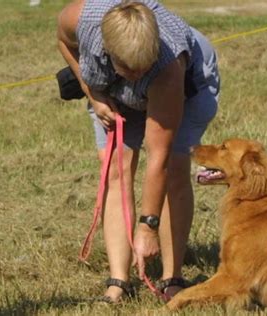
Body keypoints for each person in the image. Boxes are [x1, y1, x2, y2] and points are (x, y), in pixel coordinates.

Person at [57, 0, 219, 303]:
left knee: (176, 163)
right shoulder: (78, 17)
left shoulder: (168, 68)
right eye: (129, 69)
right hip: (109, 89)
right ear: (107, 50)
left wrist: (148, 227)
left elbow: (159, 159)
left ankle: (173, 279)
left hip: (186, 85)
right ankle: (117, 283)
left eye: (142, 68)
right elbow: (63, 41)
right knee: (114, 166)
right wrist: (94, 94)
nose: (135, 75)